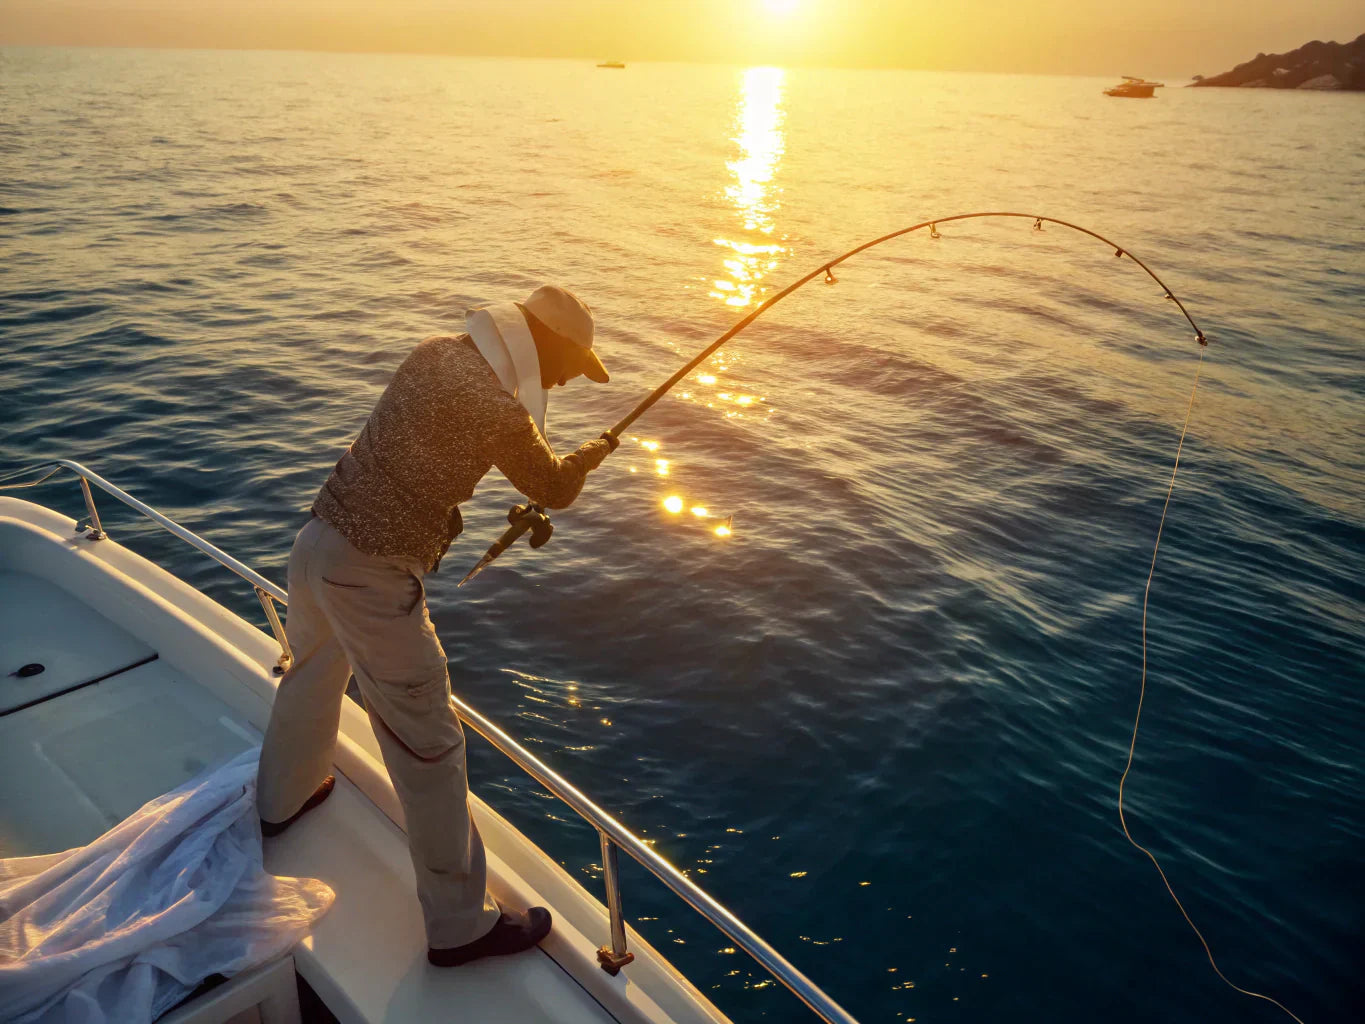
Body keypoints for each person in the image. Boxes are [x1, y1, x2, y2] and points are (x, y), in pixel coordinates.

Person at [256, 285, 615, 967]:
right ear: (547, 343)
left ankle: (281, 801)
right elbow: (551, 487)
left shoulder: (434, 354)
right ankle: (458, 925)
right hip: (369, 573)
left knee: (309, 680)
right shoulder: (496, 408)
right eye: (572, 365)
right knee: (429, 745)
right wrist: (591, 456)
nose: (569, 380)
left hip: (316, 542)